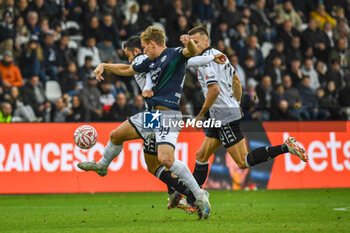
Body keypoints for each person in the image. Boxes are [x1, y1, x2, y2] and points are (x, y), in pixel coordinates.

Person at [77, 26, 211, 219]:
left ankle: (199, 195)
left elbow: (193, 52)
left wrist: (187, 41)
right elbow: (128, 68)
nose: (143, 50)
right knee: (116, 135)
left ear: (152, 43)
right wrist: (104, 66)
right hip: (152, 116)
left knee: (166, 160)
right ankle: (102, 166)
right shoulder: (150, 61)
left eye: (144, 46)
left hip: (169, 115)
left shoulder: (174, 54)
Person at [182, 26, 308, 196]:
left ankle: (286, 147)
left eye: (196, 42)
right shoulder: (221, 55)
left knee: (243, 161)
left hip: (222, 115)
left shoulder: (206, 60)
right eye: (192, 43)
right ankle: (192, 198)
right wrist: (237, 103)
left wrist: (200, 115)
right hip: (225, 111)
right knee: (201, 155)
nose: (194, 45)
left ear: (206, 41)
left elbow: (214, 90)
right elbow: (236, 80)